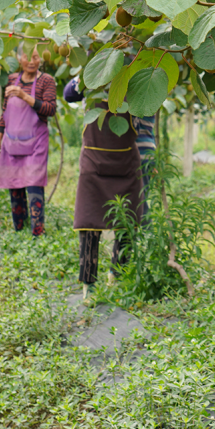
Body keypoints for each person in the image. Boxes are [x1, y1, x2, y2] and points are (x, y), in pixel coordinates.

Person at [64, 77, 144, 297]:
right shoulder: (91, 75)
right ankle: (88, 285)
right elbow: (68, 94)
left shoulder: (133, 75)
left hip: (126, 163)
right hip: (93, 163)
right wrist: (84, 76)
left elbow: (146, 120)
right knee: (88, 224)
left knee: (127, 222)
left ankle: (117, 276)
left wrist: (150, 154)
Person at [0, 48, 57, 237]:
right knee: (15, 187)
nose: (32, 61)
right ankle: (19, 232)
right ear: (19, 58)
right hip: (11, 142)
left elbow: (50, 109)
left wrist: (24, 96)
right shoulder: (12, 79)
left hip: (36, 143)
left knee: (34, 185)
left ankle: (37, 233)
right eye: (28, 57)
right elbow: (5, 114)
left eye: (36, 57)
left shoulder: (46, 81)